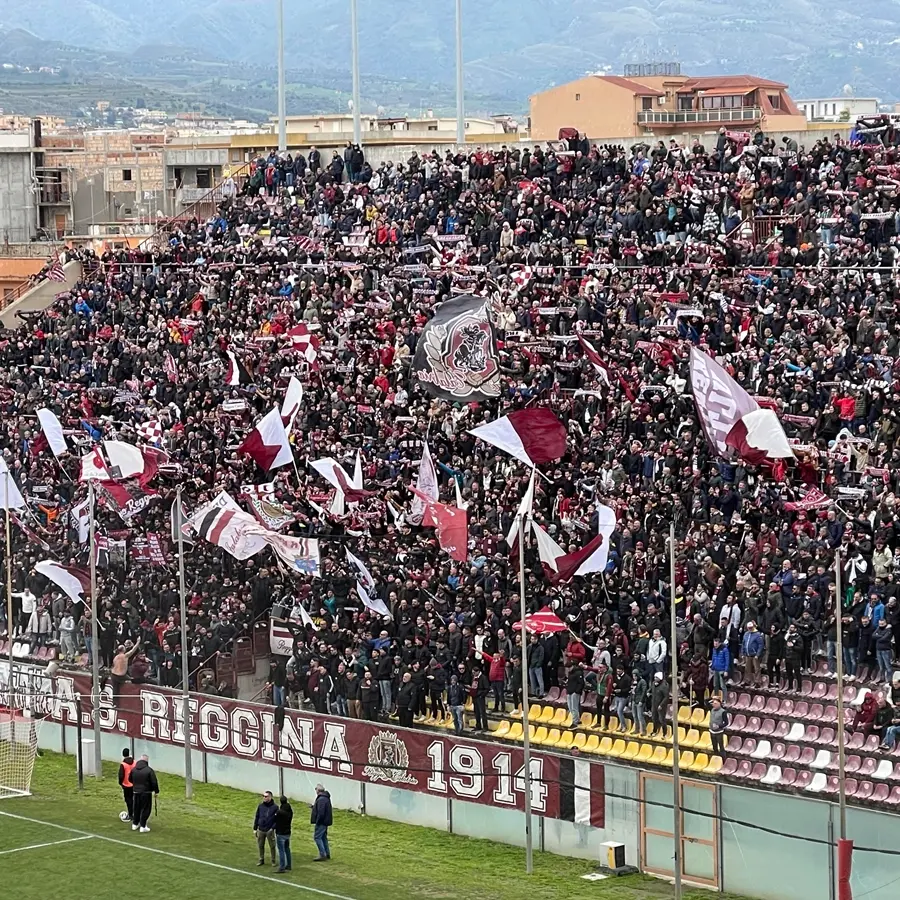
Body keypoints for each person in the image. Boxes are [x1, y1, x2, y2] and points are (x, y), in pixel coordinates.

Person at [130, 754, 159, 833]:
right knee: (145, 809)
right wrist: (156, 791)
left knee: (136, 808)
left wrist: (136, 785)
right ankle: (143, 825)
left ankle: (135, 824)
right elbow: (154, 782)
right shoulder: (149, 770)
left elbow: (130, 779)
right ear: (147, 761)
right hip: (146, 792)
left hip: (136, 792)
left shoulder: (134, 769)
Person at [254, 789, 278, 867]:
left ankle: (273, 861)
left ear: (270, 797)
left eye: (266, 796)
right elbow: (257, 816)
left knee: (272, 846)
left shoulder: (275, 807)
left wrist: (272, 828)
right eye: (264, 796)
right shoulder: (260, 806)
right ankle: (261, 859)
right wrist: (255, 828)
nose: (264, 798)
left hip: (269, 830)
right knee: (260, 845)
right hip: (261, 829)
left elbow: (277, 820)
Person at [311, 783, 332, 862]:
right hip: (325, 821)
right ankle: (327, 853)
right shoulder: (325, 798)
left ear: (318, 790)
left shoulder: (321, 799)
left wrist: (318, 821)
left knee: (317, 837)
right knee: (323, 837)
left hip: (322, 822)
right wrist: (313, 807)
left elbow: (321, 812)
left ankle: (322, 854)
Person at [274, 795, 293, 873]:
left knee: (281, 850)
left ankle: (282, 867)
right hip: (287, 832)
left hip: (281, 832)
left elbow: (276, 820)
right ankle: (289, 865)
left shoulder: (279, 812)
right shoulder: (290, 811)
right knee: (287, 849)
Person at [117, 747, 135, 822]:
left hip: (126, 785)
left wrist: (120, 783)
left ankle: (131, 815)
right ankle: (135, 814)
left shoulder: (123, 764)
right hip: (134, 784)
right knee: (134, 800)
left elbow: (121, 775)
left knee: (128, 800)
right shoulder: (134, 762)